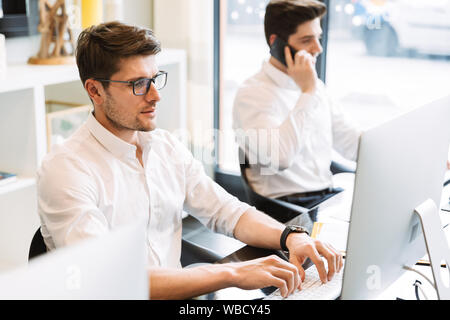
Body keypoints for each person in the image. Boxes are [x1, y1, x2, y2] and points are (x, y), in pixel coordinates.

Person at [37, 21, 342, 300]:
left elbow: (226, 210)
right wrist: (232, 274)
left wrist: (290, 236)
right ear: (95, 90)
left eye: (155, 79)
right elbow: (111, 280)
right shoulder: (66, 170)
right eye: (138, 84)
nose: (155, 95)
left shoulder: (165, 147)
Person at [233, 0, 362, 209]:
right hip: (287, 208)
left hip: (326, 198)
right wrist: (308, 93)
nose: (318, 48)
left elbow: (350, 142)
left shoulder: (315, 86)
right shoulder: (252, 94)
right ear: (276, 43)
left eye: (318, 38)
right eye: (306, 40)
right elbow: (280, 158)